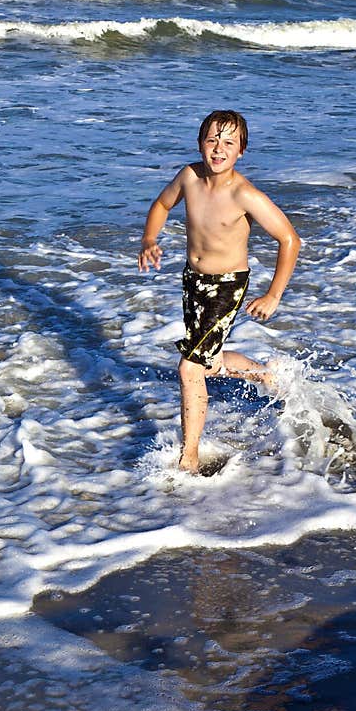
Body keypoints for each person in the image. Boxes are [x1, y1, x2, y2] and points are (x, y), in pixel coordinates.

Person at [137, 110, 301, 473]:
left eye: (229, 142)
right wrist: (150, 239)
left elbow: (289, 239)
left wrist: (273, 294)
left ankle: (189, 457)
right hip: (192, 282)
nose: (218, 149)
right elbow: (162, 204)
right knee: (208, 361)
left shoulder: (245, 194)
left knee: (190, 367)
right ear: (200, 143)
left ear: (241, 151)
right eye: (212, 140)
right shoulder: (189, 177)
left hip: (227, 287)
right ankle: (263, 375)